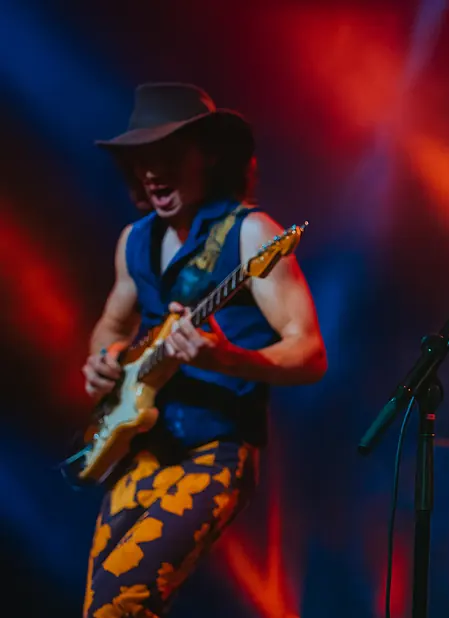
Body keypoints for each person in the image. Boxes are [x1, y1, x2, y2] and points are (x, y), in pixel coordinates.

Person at [80, 83, 327, 617]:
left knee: (122, 599)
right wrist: (103, 361)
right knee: (101, 606)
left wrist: (225, 357)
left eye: (168, 153)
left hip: (215, 452)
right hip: (141, 447)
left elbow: (309, 352)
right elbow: (110, 325)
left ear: (209, 154)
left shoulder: (251, 233)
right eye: (142, 157)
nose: (153, 171)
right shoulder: (134, 240)